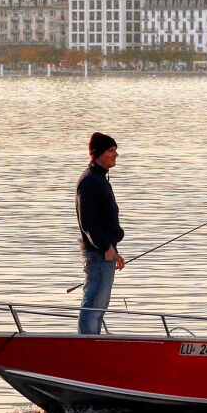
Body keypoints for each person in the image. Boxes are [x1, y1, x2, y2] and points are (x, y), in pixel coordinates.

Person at [76, 132, 126, 334]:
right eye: (111, 151)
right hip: (97, 253)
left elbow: (103, 221)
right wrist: (106, 247)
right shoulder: (89, 181)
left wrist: (113, 250)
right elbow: (88, 222)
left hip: (105, 252)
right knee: (93, 303)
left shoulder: (99, 179)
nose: (116, 155)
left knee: (100, 305)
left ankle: (92, 342)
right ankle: (85, 346)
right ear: (98, 154)